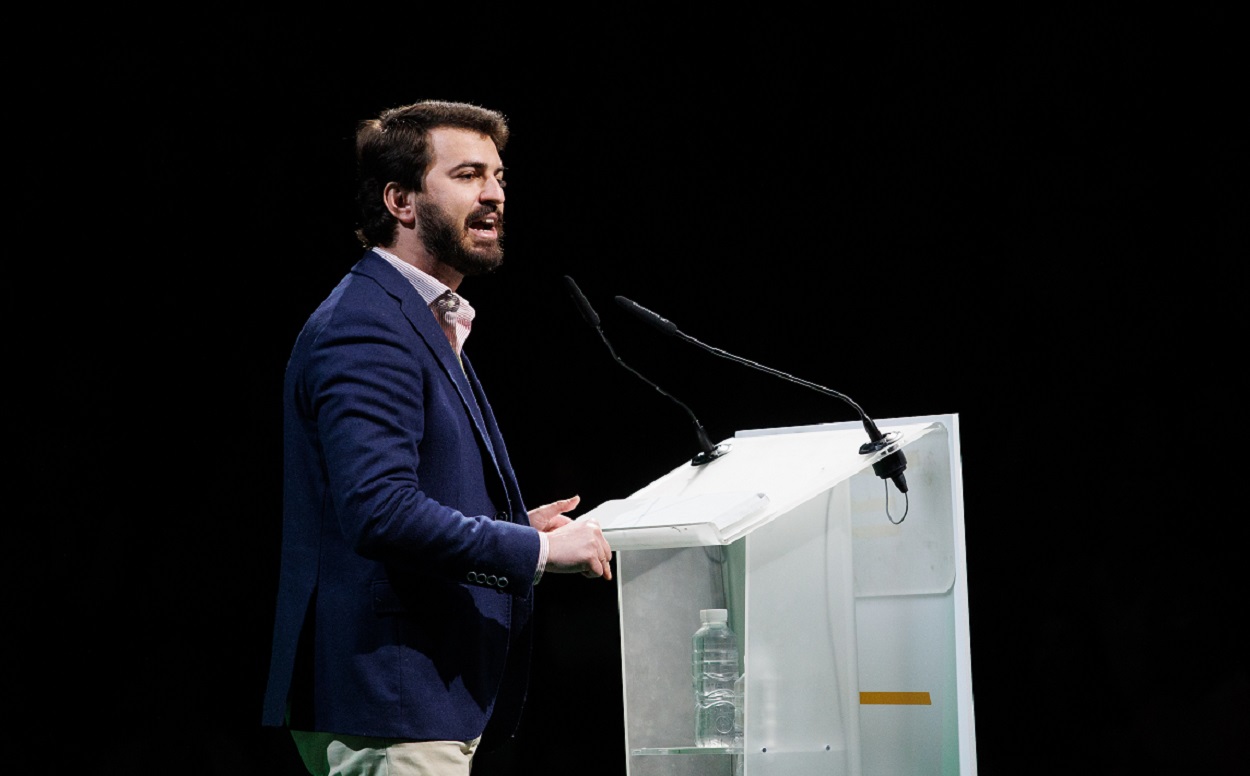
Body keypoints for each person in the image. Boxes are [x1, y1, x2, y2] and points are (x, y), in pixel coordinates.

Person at [261, 99, 614, 776]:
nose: (494, 194)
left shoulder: (416, 316)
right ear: (400, 200)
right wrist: (532, 549)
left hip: (423, 698)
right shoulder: (366, 325)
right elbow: (379, 513)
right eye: (469, 175)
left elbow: (397, 496)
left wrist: (507, 523)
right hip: (389, 699)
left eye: (500, 177)